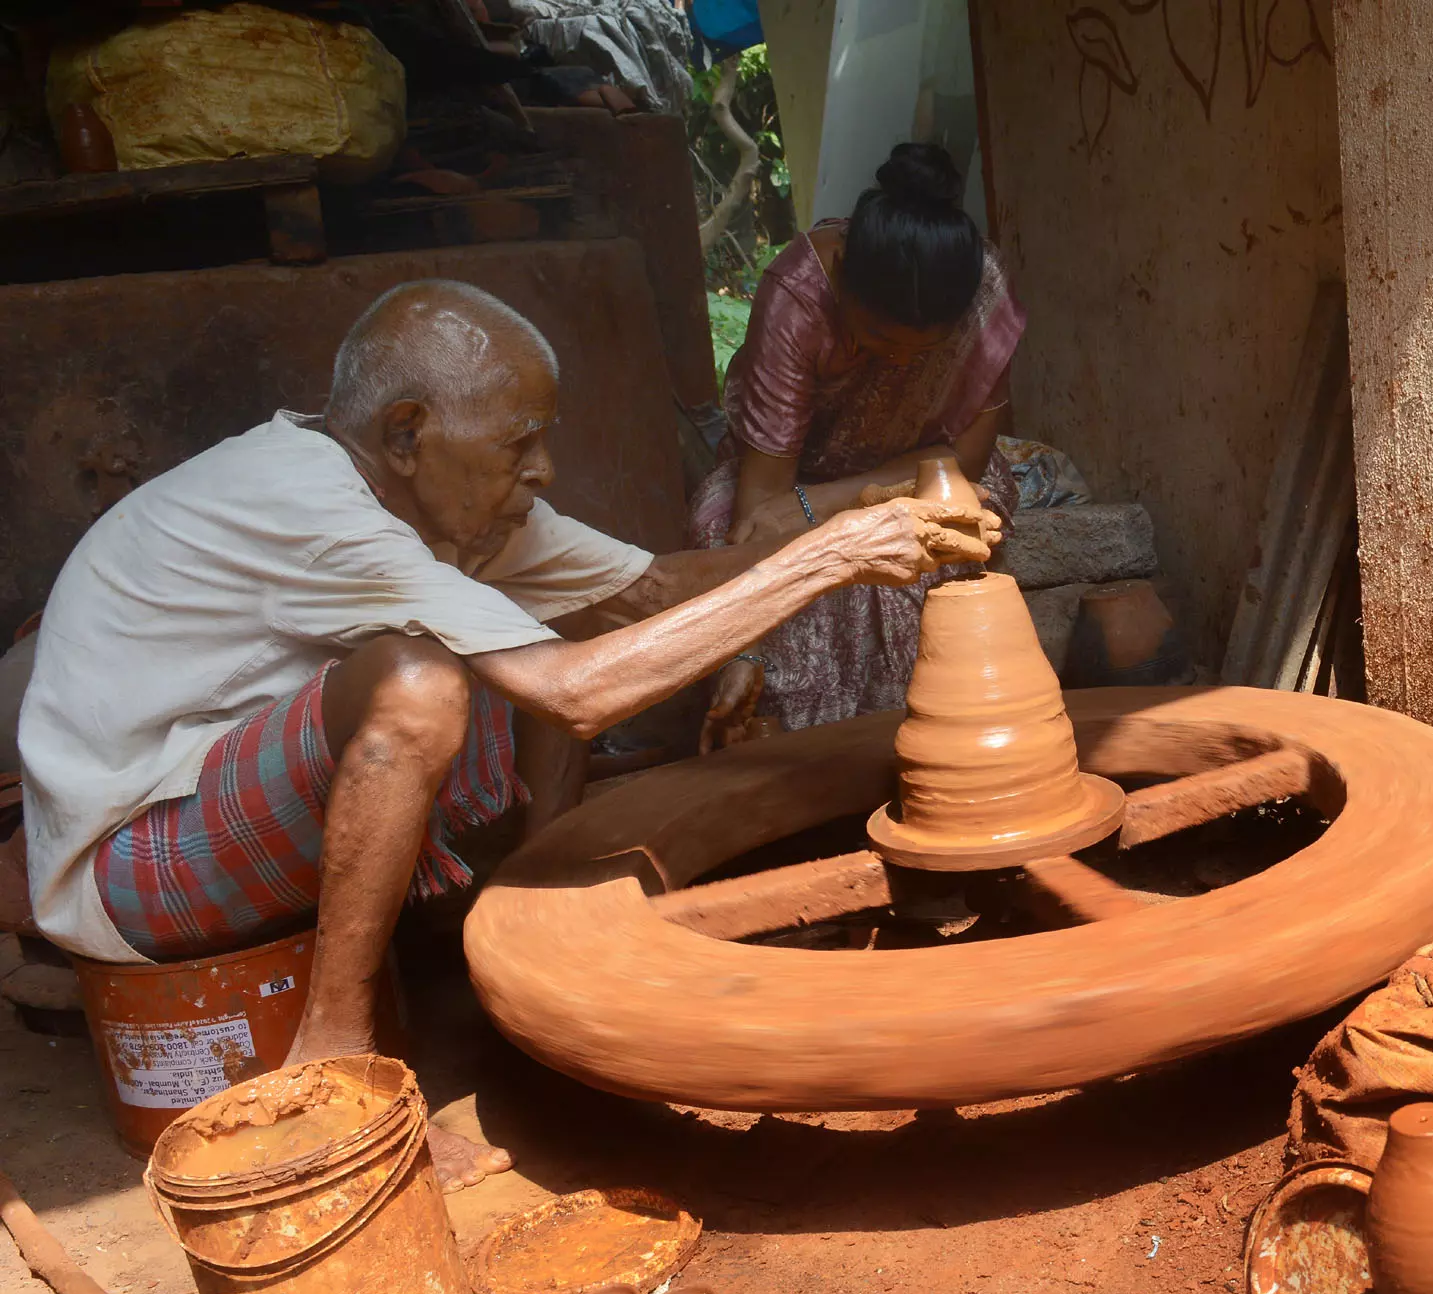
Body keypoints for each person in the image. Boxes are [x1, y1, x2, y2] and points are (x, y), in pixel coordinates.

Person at [19, 280, 990, 1187]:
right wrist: (825, 561)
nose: (545, 469)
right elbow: (571, 696)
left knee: (552, 612)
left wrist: (862, 516)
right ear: (408, 434)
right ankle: (342, 1072)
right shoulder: (306, 503)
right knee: (418, 681)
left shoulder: (443, 497)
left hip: (214, 802)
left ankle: (527, 902)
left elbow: (650, 591)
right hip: (128, 866)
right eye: (519, 443)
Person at [692, 141, 1025, 747]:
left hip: (918, 477)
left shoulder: (982, 291)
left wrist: (829, 502)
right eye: (877, 338)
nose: (898, 361)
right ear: (842, 272)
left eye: (921, 352)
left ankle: (923, 740)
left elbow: (967, 461)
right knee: (732, 536)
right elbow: (762, 507)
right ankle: (808, 755)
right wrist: (747, 648)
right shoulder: (799, 296)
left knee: (945, 539)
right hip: (790, 479)